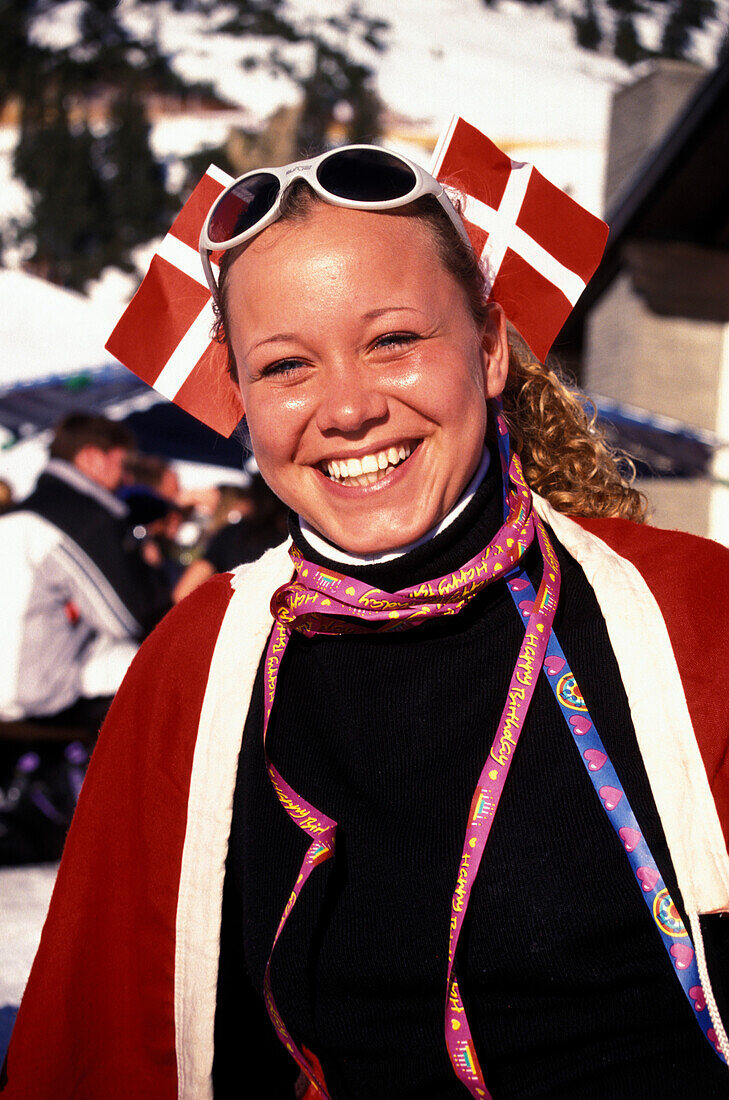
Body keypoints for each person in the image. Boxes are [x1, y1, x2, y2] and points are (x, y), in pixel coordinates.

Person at [3, 139, 729, 1100]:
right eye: (286, 365)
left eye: (392, 340)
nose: (346, 408)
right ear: (244, 401)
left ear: (485, 345)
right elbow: (95, 1050)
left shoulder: (683, 610)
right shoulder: (198, 662)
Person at [0, 414, 171, 863]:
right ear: (92, 459)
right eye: (121, 465)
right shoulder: (81, 516)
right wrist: (147, 565)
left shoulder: (18, 514)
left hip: (14, 684)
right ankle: (143, 834)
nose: (126, 477)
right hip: (37, 692)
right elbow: (128, 617)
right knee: (167, 667)